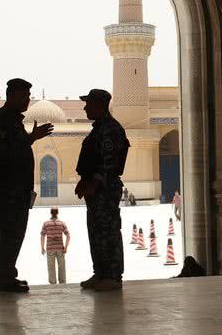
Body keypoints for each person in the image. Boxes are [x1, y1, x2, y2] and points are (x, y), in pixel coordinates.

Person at [0, 78, 54, 292]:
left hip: (17, 190)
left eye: (28, 96)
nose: (27, 100)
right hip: (8, 189)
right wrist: (29, 139)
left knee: (15, 234)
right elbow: (4, 153)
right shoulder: (1, 120)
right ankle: (4, 278)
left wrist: (30, 138)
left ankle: (8, 274)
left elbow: (15, 146)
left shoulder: (13, 120)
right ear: (12, 96)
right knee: (10, 233)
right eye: (24, 96)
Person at [75, 89, 130, 292]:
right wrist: (84, 181)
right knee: (97, 232)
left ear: (99, 105)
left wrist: (94, 182)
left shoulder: (111, 129)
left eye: (88, 104)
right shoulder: (98, 129)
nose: (85, 107)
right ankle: (101, 273)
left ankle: (113, 276)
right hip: (96, 191)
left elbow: (109, 162)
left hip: (105, 190)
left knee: (108, 232)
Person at [40, 206, 71, 285]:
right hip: (60, 248)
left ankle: (53, 283)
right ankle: (63, 283)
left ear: (50, 213)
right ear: (57, 213)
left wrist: (42, 247)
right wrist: (66, 247)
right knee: (62, 267)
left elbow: (42, 235)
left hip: (50, 248)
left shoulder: (46, 223)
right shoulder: (62, 223)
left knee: (51, 267)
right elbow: (68, 235)